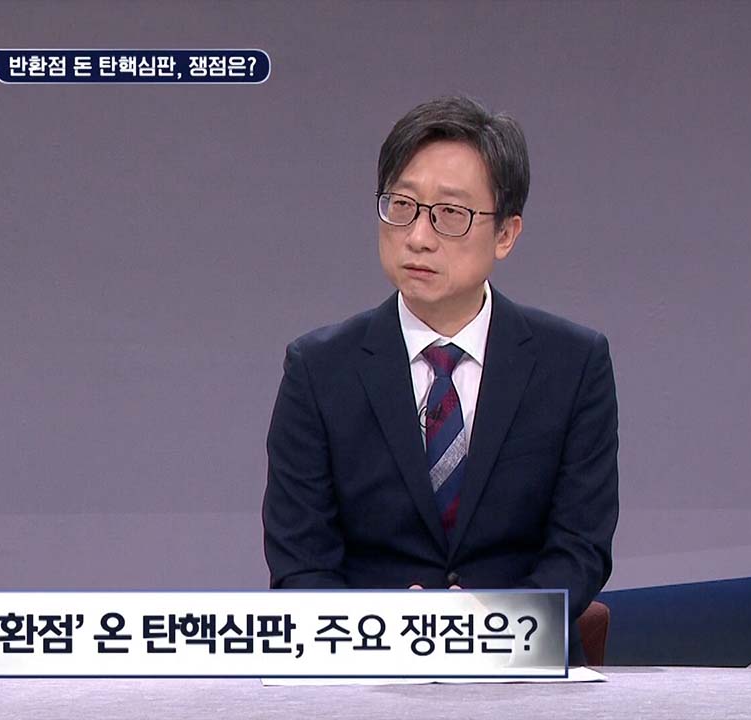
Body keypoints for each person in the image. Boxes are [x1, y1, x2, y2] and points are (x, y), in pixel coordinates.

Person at [262, 96, 619, 664]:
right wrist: (383, 632)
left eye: (450, 214)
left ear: (506, 234)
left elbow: (581, 549)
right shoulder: (318, 370)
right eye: (402, 206)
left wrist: (493, 628)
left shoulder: (573, 365)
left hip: (521, 671)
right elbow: (300, 564)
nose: (418, 237)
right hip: (366, 674)